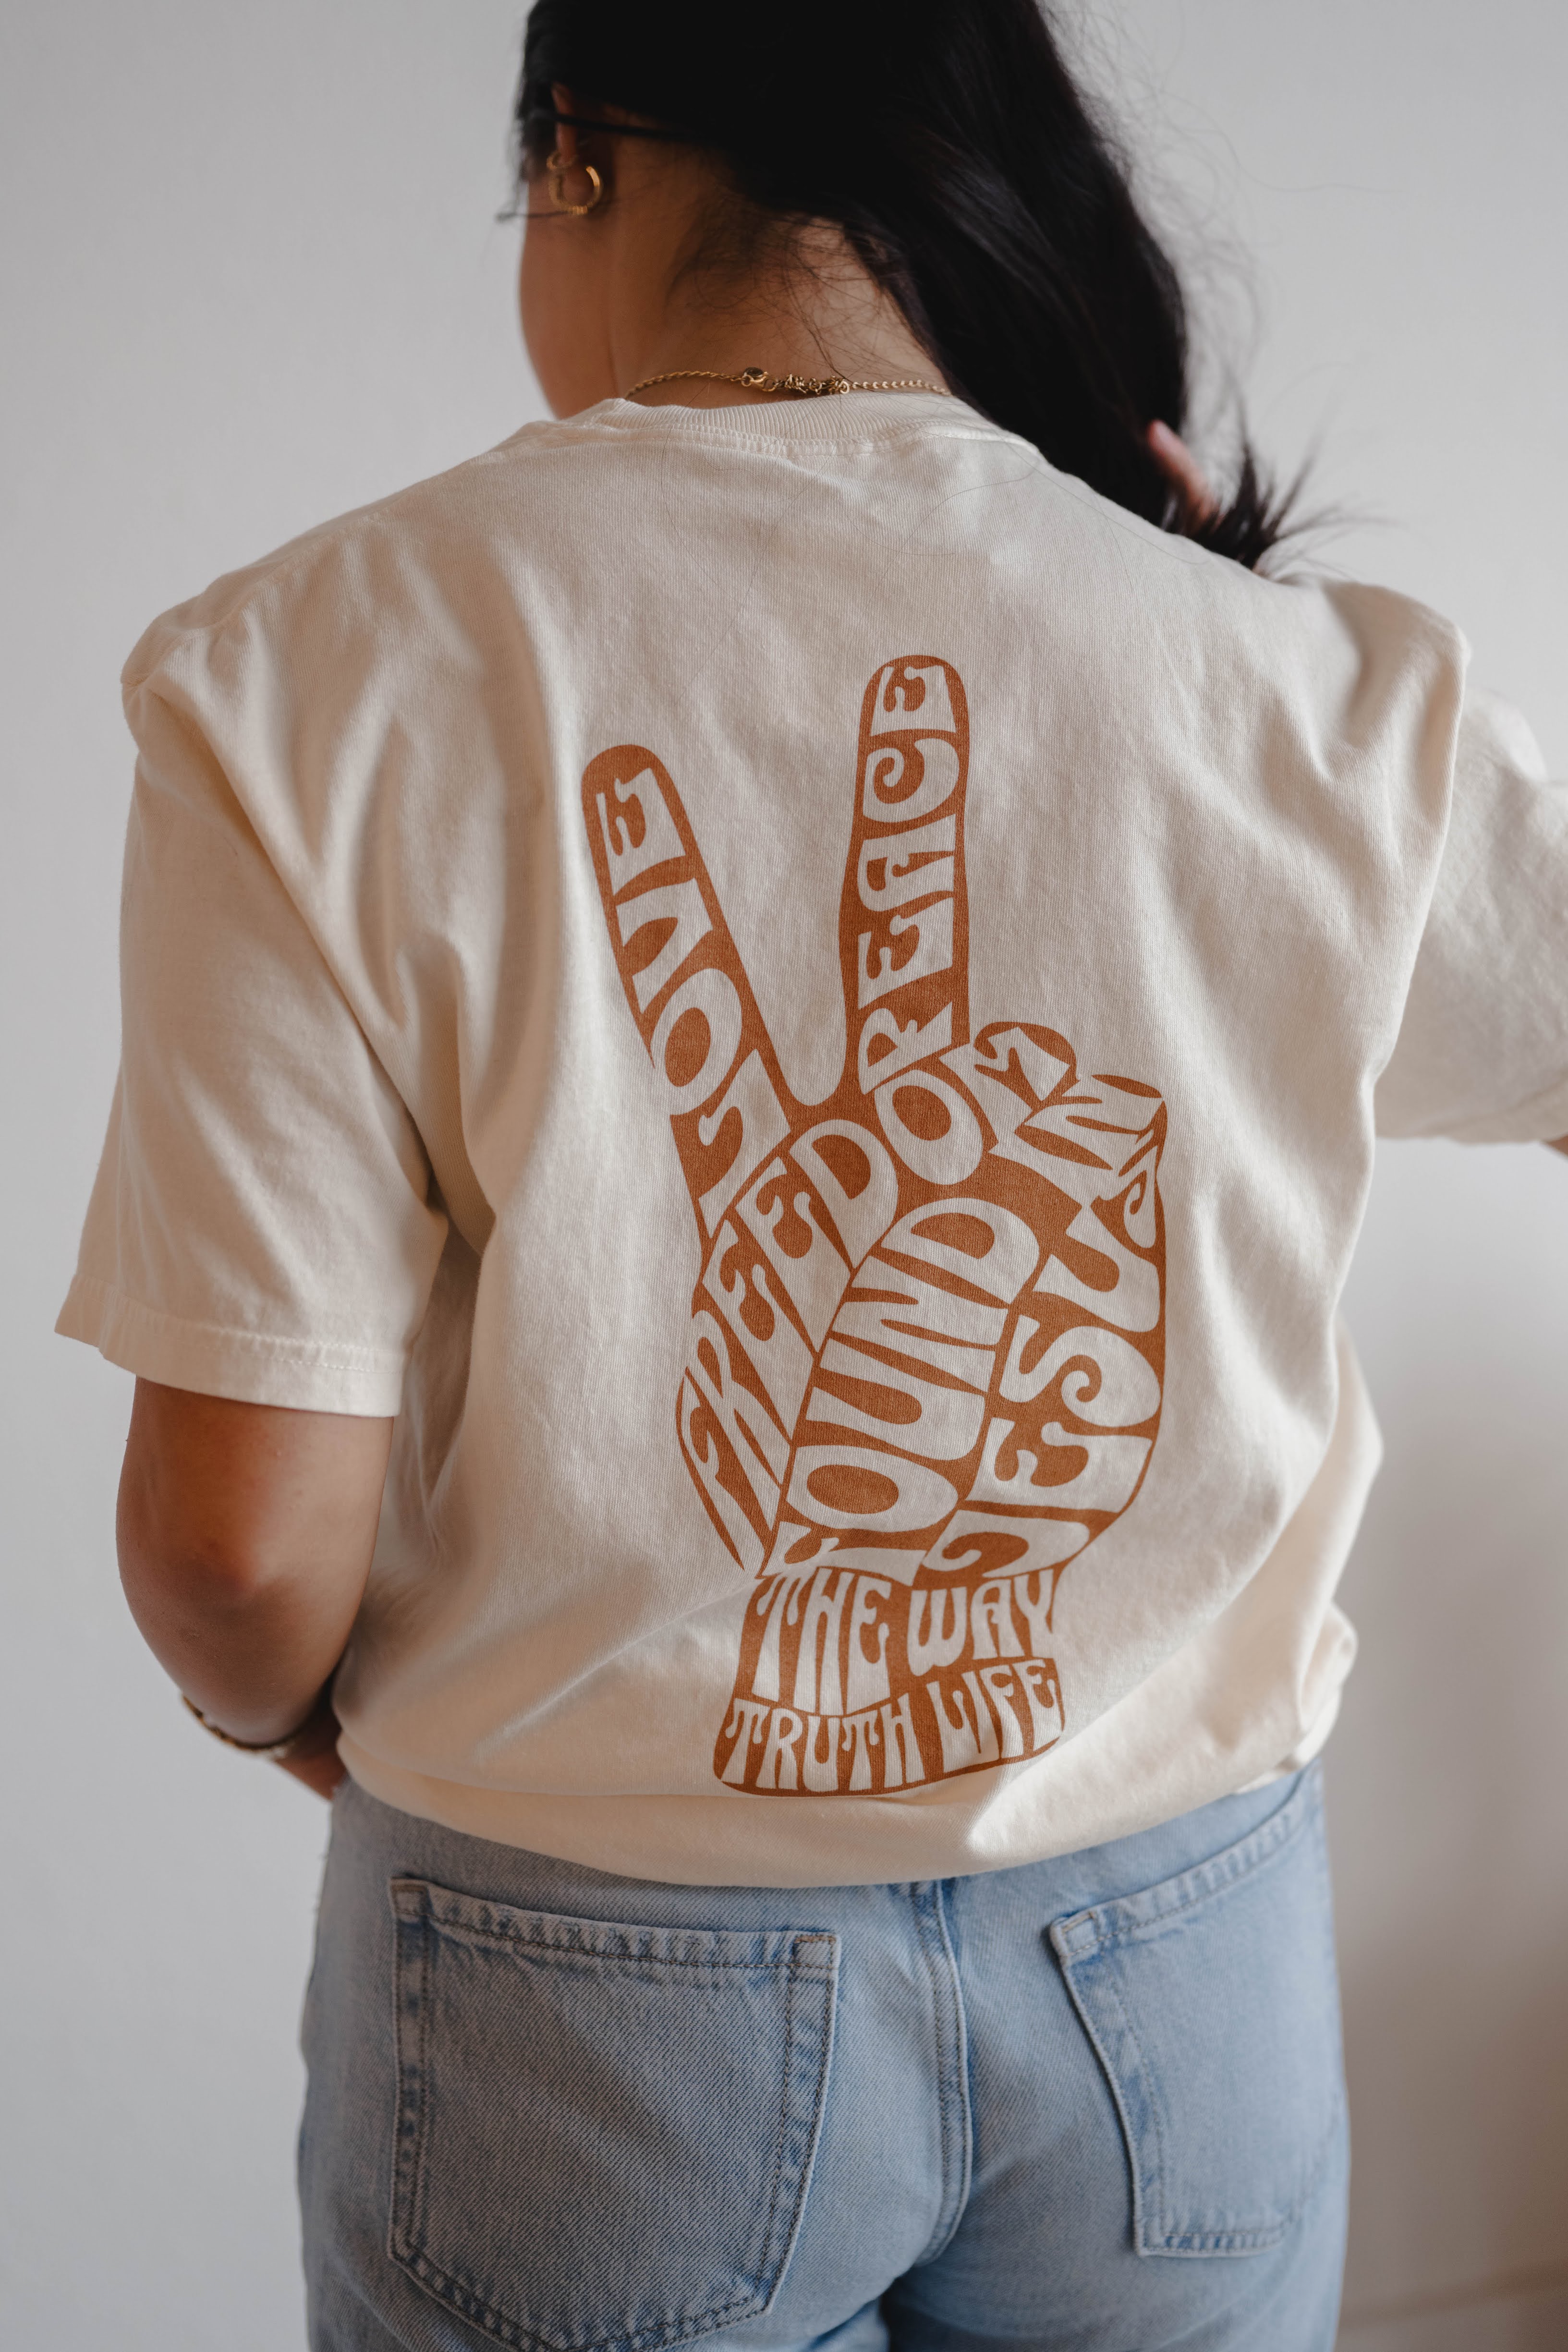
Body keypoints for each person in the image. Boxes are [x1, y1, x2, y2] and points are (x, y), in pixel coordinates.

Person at [57, 2, 1568, 2347]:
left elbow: (237, 1547)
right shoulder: (1290, 691)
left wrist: (278, 1718)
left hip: (584, 1971)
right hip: (1178, 1958)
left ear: (579, 157)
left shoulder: (299, 679)